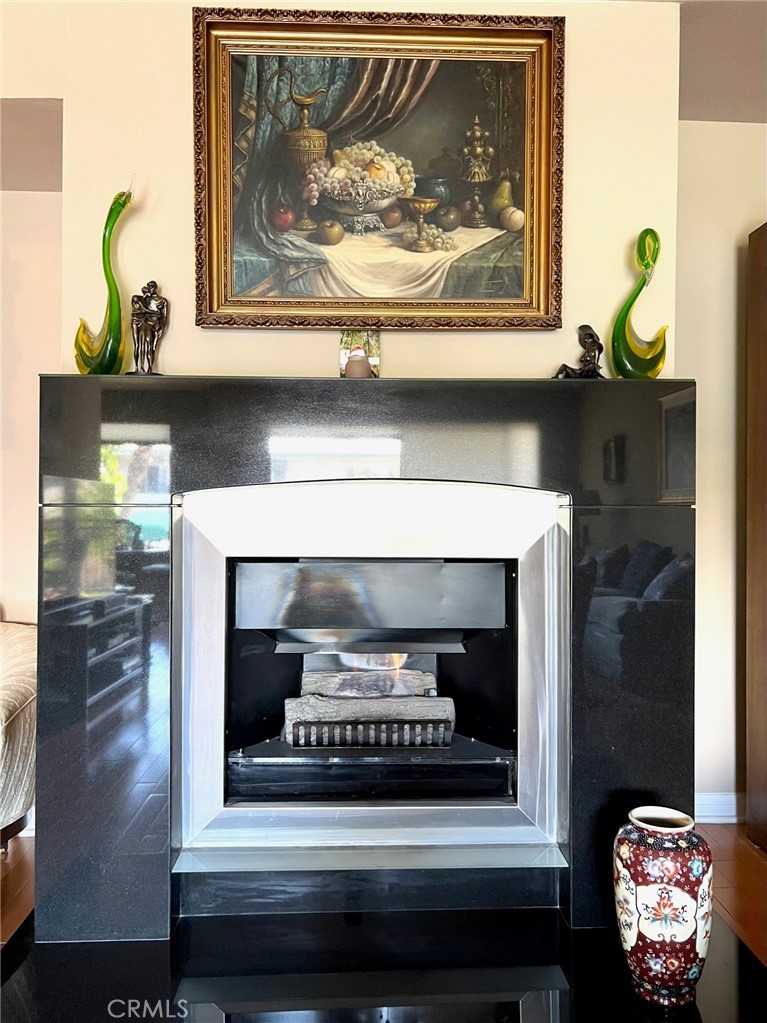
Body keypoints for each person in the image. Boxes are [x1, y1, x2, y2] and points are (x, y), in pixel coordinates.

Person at [130, 281, 168, 374]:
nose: (150, 289)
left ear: (155, 288)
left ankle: (150, 369)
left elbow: (164, 316)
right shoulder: (143, 299)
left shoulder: (163, 301)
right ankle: (139, 368)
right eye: (149, 287)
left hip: (156, 325)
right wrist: (155, 313)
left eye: (152, 287)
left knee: (152, 347)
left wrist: (162, 328)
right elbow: (143, 311)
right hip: (146, 324)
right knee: (143, 345)